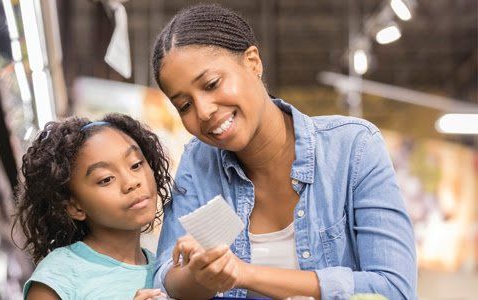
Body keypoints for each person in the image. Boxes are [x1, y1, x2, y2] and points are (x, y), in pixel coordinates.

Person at [150, 4, 417, 299]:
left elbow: (394, 289)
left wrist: (244, 273)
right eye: (184, 106)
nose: (203, 111)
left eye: (212, 84)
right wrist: (198, 274)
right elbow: (166, 280)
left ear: (252, 62)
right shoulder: (199, 162)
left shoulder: (354, 147)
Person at [15, 114, 173, 300]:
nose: (131, 182)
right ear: (75, 207)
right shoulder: (59, 274)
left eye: (136, 164)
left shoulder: (166, 273)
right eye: (106, 179)